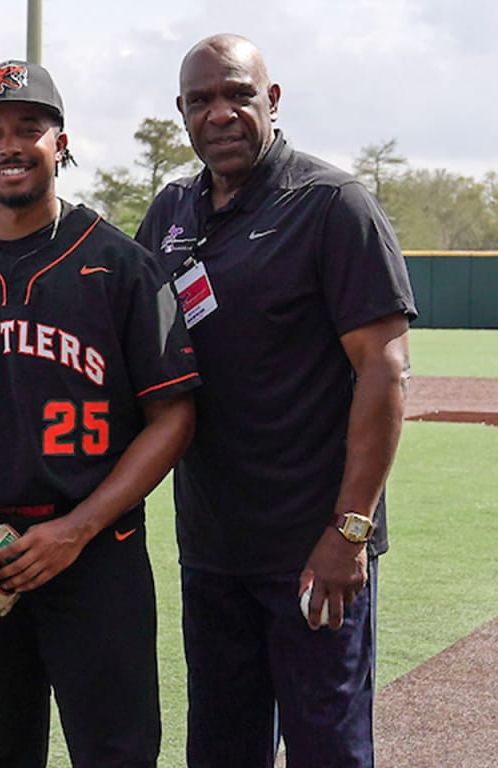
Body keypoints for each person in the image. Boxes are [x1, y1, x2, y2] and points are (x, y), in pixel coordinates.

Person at [0, 59, 200, 768]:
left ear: (62, 143)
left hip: (96, 557)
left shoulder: (123, 268)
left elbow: (174, 417)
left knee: (117, 752)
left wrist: (78, 529)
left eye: (30, 127)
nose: (9, 145)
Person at [134, 34, 416, 768]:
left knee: (328, 750)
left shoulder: (332, 204)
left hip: (313, 552)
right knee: (222, 750)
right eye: (201, 101)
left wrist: (349, 533)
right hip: (213, 550)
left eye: (238, 94)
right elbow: (113, 322)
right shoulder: (173, 210)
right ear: (182, 113)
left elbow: (385, 373)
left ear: (273, 100)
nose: (221, 114)